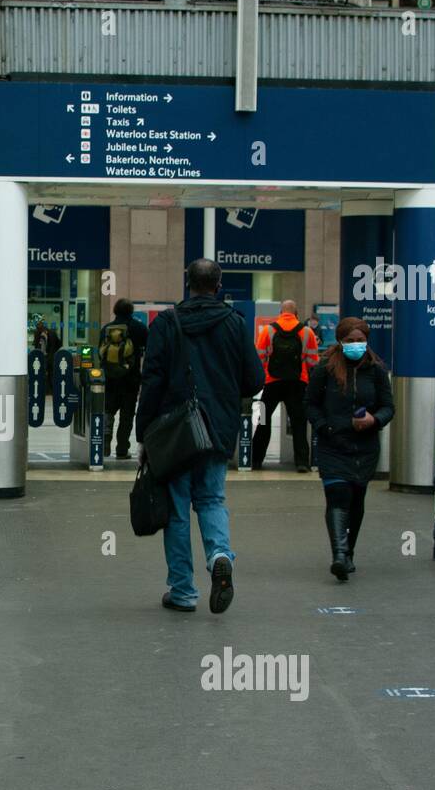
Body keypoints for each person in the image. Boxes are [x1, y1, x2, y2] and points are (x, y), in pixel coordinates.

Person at [137, 259, 265, 614]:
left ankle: (182, 592)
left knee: (177, 510)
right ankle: (220, 555)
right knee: (211, 500)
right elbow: (255, 380)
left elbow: (152, 381)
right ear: (219, 285)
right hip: (218, 427)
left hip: (174, 431)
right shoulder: (235, 324)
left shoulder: (166, 323)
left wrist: (143, 433)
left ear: (187, 283)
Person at [305, 315, 395, 582]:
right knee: (338, 496)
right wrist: (326, 428)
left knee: (357, 500)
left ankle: (350, 552)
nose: (356, 345)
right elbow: (310, 403)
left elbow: (388, 406)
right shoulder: (325, 369)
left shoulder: (377, 370)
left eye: (361, 341)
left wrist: (374, 420)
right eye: (350, 341)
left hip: (365, 446)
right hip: (334, 444)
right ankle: (339, 555)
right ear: (340, 342)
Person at [252, 300, 320, 473]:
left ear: (280, 312)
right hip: (298, 384)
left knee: (264, 421)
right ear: (296, 312)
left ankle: (256, 460)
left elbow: (259, 358)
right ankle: (302, 462)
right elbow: (313, 361)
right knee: (298, 423)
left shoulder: (268, 330)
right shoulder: (307, 332)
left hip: (272, 383)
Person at [98, 299, 148, 459]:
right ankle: (122, 449)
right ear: (131, 311)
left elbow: (100, 354)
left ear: (115, 311)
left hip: (110, 379)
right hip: (130, 380)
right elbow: (150, 350)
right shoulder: (139, 328)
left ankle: (104, 446)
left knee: (108, 411)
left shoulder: (106, 329)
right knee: (127, 415)